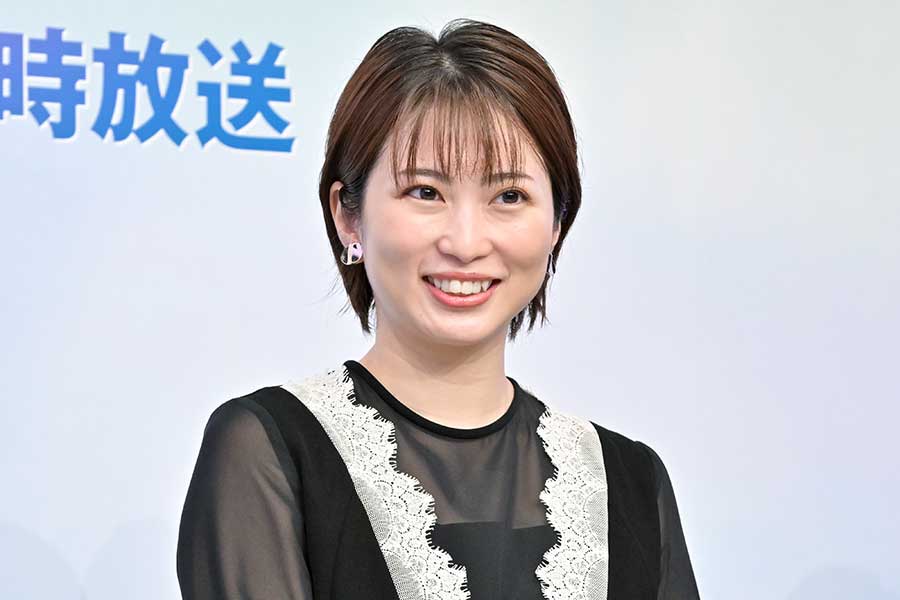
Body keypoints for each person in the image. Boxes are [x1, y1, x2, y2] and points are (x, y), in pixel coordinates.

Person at [176, 18, 701, 600]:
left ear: (557, 223)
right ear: (348, 216)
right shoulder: (270, 453)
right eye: (425, 192)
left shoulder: (632, 483)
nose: (466, 242)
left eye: (509, 196)